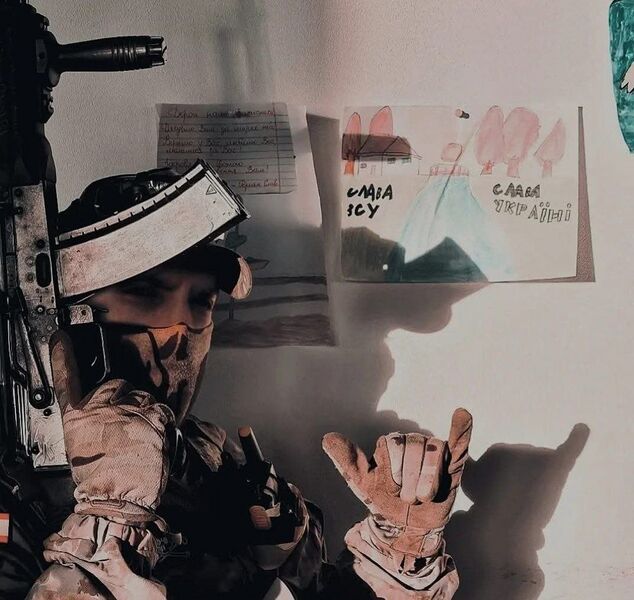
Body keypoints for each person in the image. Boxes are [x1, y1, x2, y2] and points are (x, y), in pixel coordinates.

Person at [0, 166, 472, 599]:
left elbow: (315, 592)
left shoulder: (212, 461)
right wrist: (108, 526)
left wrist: (400, 553)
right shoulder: (14, 489)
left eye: (201, 301)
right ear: (68, 316)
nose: (178, 333)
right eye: (144, 293)